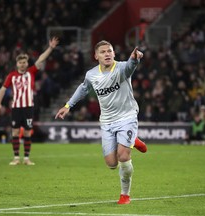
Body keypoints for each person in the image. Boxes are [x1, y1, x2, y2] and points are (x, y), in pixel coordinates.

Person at [55, 40, 147, 204]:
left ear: (114, 54)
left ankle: (125, 195)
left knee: (123, 155)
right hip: (107, 121)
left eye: (110, 51)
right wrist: (68, 105)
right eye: (103, 52)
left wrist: (134, 58)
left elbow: (130, 66)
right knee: (112, 163)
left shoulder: (121, 68)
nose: (107, 54)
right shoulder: (92, 74)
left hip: (127, 116)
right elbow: (83, 88)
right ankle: (133, 141)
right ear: (96, 56)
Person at [0, 36, 59, 166]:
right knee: (15, 132)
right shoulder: (11, 76)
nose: (23, 64)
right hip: (16, 107)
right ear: (17, 64)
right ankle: (15, 158)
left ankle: (26, 158)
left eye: (25, 62)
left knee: (26, 132)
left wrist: (50, 48)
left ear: (27, 63)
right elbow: (2, 89)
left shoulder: (31, 72)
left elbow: (41, 58)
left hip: (28, 107)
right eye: (20, 62)